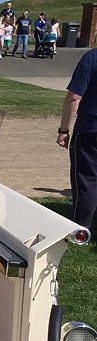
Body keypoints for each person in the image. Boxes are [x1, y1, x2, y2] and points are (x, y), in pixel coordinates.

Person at [56, 48, 97, 229]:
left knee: (86, 178)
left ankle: (81, 227)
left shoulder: (92, 57)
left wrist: (64, 129)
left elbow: (74, 97)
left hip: (90, 129)